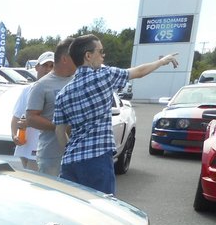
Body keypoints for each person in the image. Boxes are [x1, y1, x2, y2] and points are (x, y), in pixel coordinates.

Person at [54, 34, 178, 194]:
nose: (103, 56)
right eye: (100, 51)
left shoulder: (63, 93)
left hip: (70, 163)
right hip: (97, 159)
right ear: (88, 56)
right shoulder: (104, 76)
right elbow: (139, 72)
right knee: (103, 212)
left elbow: (59, 131)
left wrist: (70, 151)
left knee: (74, 213)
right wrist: (161, 61)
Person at [25, 37, 76, 177]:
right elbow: (31, 118)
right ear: (65, 58)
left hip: (78, 154)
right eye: (76, 57)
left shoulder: (80, 80)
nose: (80, 61)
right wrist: (59, 127)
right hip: (51, 156)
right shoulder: (42, 85)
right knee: (52, 196)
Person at [11, 50, 55, 171]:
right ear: (37, 67)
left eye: (52, 66)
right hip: (25, 148)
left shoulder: (57, 91)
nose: (48, 69)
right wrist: (14, 136)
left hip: (42, 150)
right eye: (45, 65)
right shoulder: (27, 90)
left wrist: (31, 121)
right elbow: (16, 117)